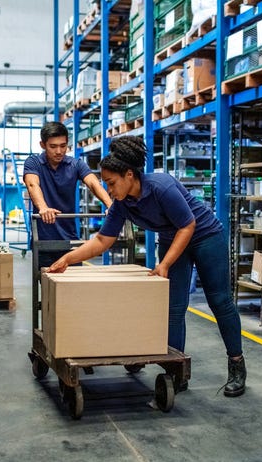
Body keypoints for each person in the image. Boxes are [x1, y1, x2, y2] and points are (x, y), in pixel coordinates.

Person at [47, 135, 247, 397]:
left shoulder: (161, 187)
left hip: (204, 236)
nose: (108, 190)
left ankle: (237, 365)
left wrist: (164, 264)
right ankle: (177, 372)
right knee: (174, 308)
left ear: (129, 175)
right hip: (171, 238)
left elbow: (188, 225)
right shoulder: (121, 204)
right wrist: (68, 259)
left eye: (111, 183)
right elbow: (102, 240)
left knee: (219, 301)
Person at [23, 121, 112, 267]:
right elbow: (32, 184)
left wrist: (110, 205)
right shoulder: (34, 162)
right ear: (42, 145)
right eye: (53, 146)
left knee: (73, 286)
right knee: (48, 286)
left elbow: (93, 183)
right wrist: (43, 208)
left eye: (63, 146)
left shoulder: (75, 164)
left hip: (70, 240)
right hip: (44, 241)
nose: (59, 151)